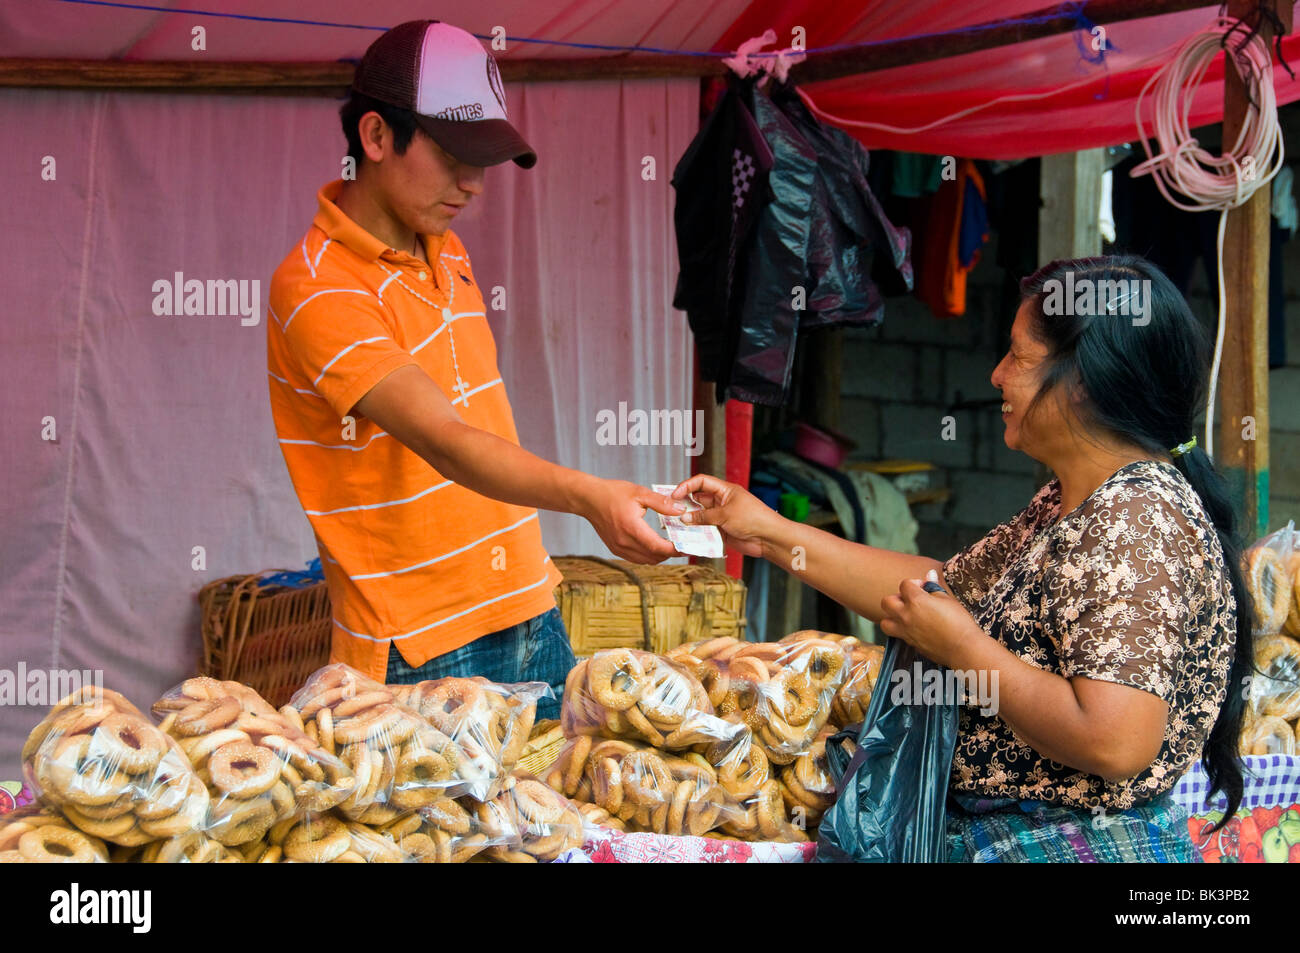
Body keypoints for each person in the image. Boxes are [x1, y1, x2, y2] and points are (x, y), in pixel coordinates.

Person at [674, 254, 1252, 862]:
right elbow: (931, 591)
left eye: (1020, 357)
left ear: (1084, 380)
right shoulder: (1070, 503)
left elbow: (1115, 739)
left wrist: (963, 650)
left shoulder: (1135, 520)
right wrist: (768, 532)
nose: (998, 375)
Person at [267, 20, 680, 716]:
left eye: (482, 158)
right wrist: (591, 496)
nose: (473, 183)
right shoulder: (314, 287)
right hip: (417, 646)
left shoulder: (446, 248)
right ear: (374, 138)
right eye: (454, 153)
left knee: (557, 823)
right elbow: (445, 439)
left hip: (528, 603)